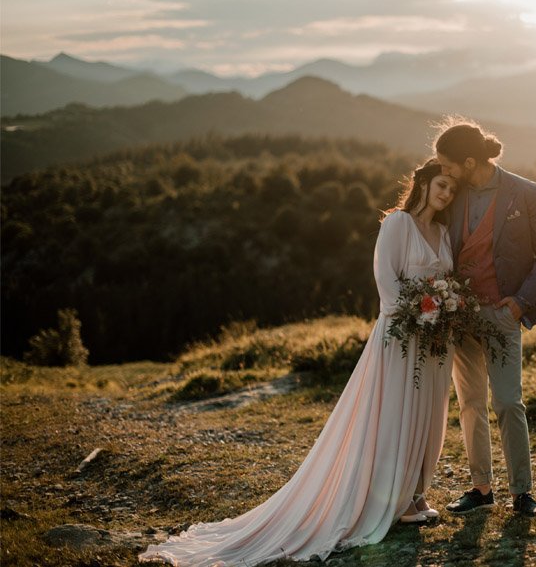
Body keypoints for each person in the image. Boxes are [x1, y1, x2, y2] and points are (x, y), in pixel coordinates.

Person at [138, 159, 458, 566]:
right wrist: (418, 313)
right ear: (425, 183)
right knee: (395, 412)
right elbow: (386, 283)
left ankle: (416, 494)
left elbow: (447, 282)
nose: (446, 194)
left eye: (451, 190)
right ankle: (387, 499)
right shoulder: (397, 224)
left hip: (435, 341)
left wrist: (445, 310)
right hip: (400, 337)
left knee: (428, 414)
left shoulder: (444, 233)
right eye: (442, 185)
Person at [435, 118, 536, 518]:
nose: (444, 171)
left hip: (504, 313)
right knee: (470, 403)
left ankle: (522, 492)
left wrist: (522, 301)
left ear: (469, 161)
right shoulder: (454, 195)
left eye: (448, 164)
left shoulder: (525, 193)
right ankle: (481, 488)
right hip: (461, 316)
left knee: (508, 403)